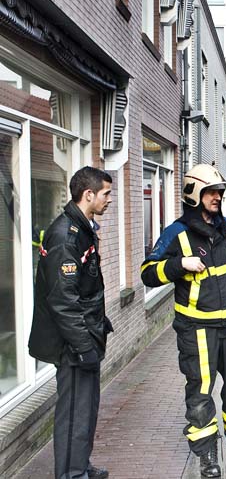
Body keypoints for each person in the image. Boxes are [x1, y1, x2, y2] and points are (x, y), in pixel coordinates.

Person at [140, 164, 226, 478]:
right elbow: (148, 273)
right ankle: (206, 451)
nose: (217, 198)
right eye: (211, 192)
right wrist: (180, 264)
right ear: (194, 194)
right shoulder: (177, 233)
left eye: (219, 192)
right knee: (201, 391)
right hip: (197, 328)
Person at [29, 166, 113, 479]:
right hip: (73, 346)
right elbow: (63, 301)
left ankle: (79, 465)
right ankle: (70, 474)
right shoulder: (66, 236)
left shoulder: (83, 228)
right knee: (74, 412)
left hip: (86, 338)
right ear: (88, 194)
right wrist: (83, 346)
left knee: (86, 411)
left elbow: (84, 288)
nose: (109, 200)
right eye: (105, 194)